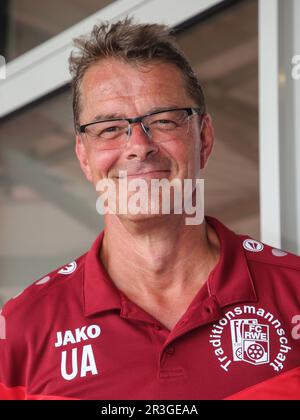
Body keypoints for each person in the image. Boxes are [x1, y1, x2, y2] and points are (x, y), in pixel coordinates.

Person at [0, 18, 299, 401]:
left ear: (203, 138)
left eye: (163, 120)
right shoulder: (22, 330)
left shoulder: (295, 295)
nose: (139, 146)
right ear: (84, 156)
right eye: (109, 128)